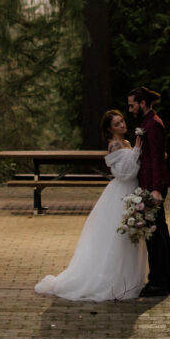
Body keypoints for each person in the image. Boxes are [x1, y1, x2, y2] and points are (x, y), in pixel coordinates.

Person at [34, 109, 148, 301]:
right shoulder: (114, 145)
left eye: (122, 122)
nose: (122, 125)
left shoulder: (126, 142)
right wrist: (137, 151)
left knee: (128, 238)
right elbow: (122, 173)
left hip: (132, 190)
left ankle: (127, 279)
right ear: (110, 129)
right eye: (117, 124)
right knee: (117, 237)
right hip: (120, 193)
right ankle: (109, 281)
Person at [127, 86, 170, 296]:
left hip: (152, 188)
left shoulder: (153, 125)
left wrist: (156, 189)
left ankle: (160, 282)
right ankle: (162, 280)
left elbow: (157, 159)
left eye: (132, 105)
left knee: (156, 235)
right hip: (148, 185)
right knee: (157, 234)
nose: (130, 109)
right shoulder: (147, 122)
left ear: (143, 103)